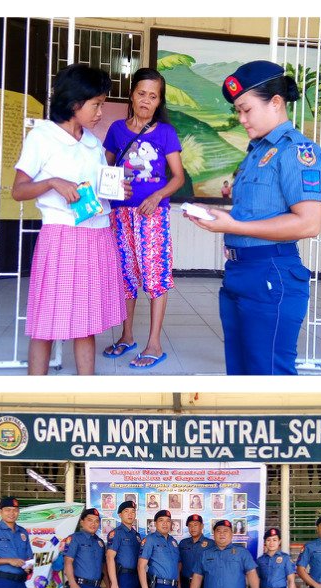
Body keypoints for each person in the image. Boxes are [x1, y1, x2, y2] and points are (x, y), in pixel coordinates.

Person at [184, 60, 321, 375]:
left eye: (246, 109)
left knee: (268, 376)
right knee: (241, 374)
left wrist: (233, 225)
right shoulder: (255, 153)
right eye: (238, 111)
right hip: (240, 272)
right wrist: (222, 216)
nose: (241, 118)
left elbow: (308, 223)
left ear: (275, 103)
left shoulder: (297, 152)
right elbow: (255, 213)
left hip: (271, 275)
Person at [11, 64, 127, 375]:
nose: (101, 111)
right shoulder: (42, 138)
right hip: (61, 236)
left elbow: (99, 190)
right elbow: (18, 190)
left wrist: (117, 188)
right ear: (75, 102)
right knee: (46, 322)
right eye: (96, 103)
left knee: (86, 322)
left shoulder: (92, 143)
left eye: (102, 103)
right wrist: (52, 183)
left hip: (97, 234)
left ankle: (85, 386)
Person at [102, 67, 185, 370]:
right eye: (141, 93)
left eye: (153, 96)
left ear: (159, 100)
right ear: (132, 93)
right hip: (120, 214)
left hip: (152, 215)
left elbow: (178, 177)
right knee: (125, 276)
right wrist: (112, 187)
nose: (146, 100)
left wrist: (156, 196)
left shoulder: (166, 133)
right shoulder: (115, 130)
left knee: (155, 277)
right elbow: (104, 171)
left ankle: (154, 343)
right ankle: (127, 337)